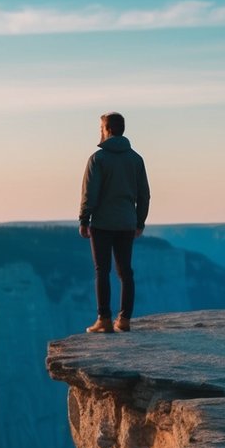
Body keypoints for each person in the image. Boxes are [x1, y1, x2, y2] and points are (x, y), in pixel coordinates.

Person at [78, 111, 151, 333]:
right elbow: (144, 195)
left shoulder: (97, 159)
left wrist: (84, 218)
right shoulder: (136, 159)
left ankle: (104, 319)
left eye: (101, 128)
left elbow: (89, 193)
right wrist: (140, 221)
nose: (99, 132)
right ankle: (125, 319)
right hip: (127, 223)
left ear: (108, 130)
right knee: (125, 272)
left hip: (102, 224)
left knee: (102, 270)